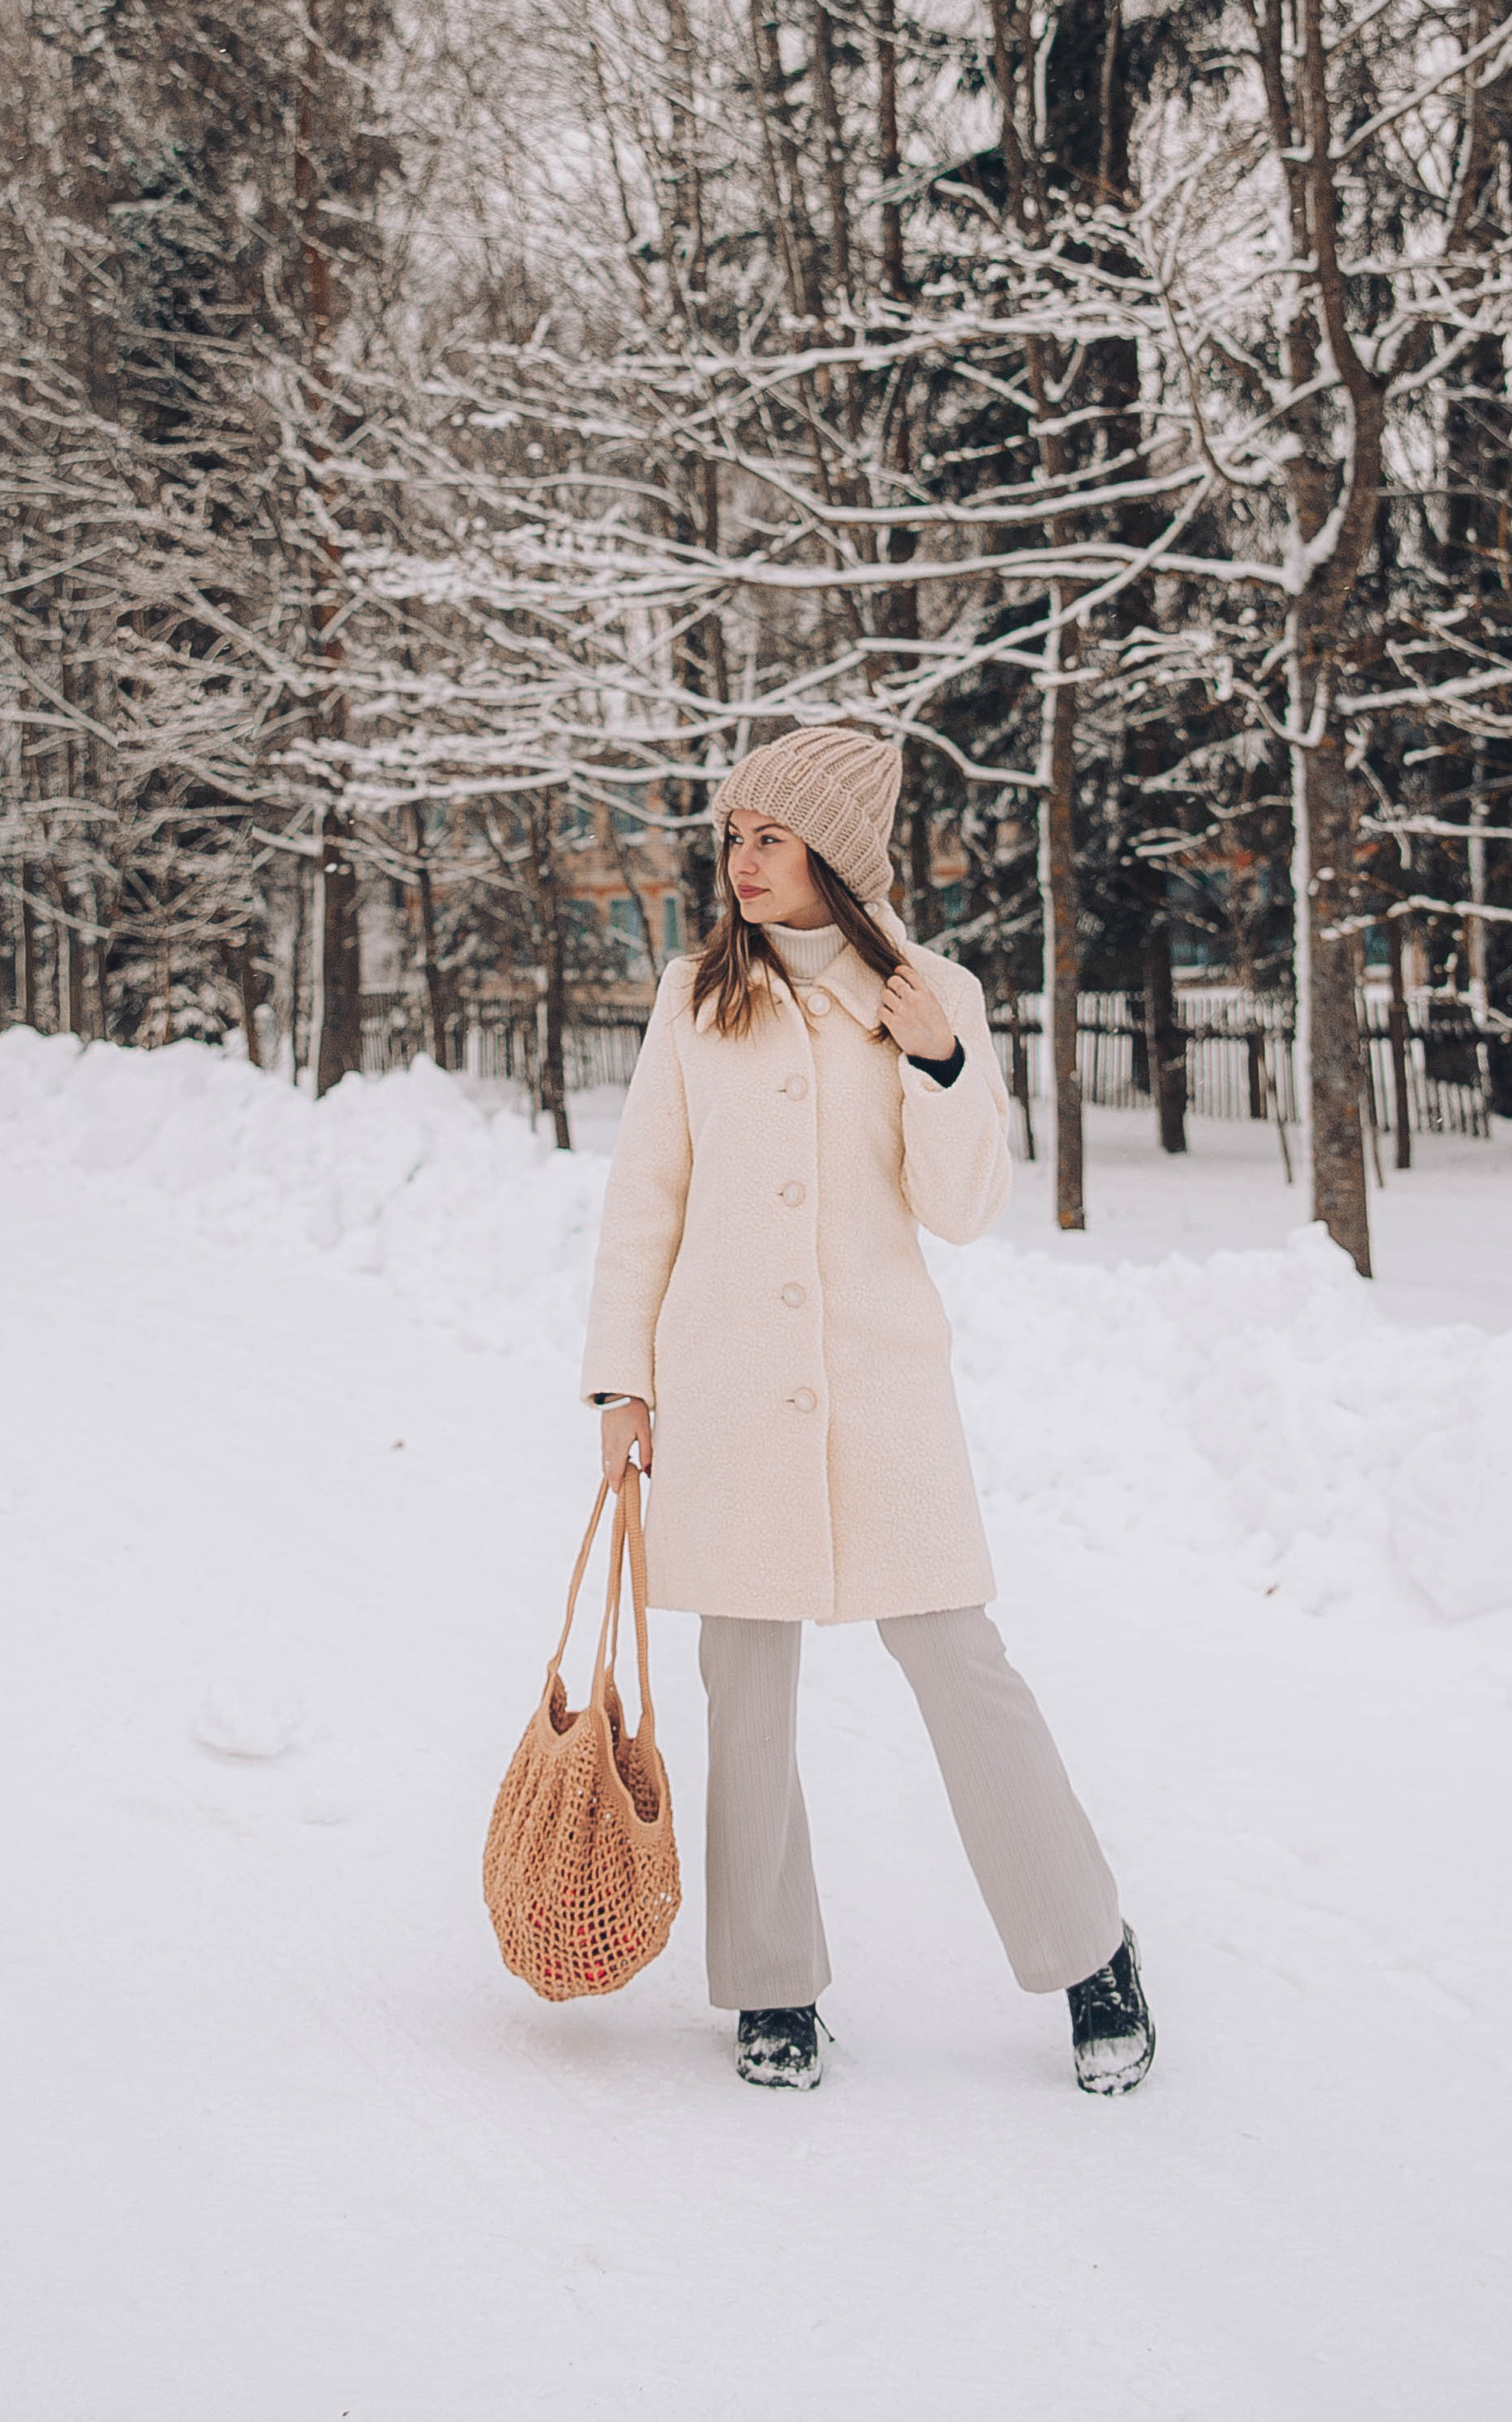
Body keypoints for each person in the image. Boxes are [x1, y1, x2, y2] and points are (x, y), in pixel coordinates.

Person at [581, 724, 1153, 2097]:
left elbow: (964, 1212)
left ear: (836, 852)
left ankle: (1092, 1951)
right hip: (725, 1392)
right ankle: (771, 1988)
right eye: (733, 836)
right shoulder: (692, 997)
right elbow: (643, 1201)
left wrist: (942, 1061)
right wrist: (621, 1380)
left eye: (769, 837)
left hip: (884, 1397)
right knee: (749, 1690)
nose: (742, 862)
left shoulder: (928, 990)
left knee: (962, 1669)